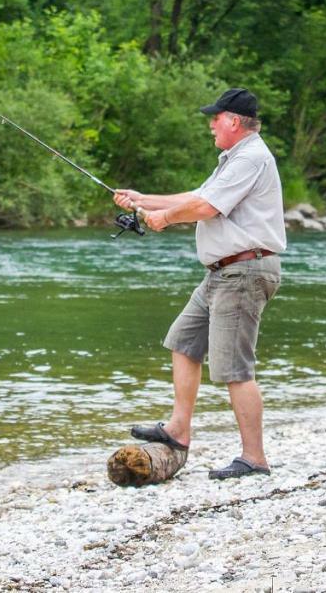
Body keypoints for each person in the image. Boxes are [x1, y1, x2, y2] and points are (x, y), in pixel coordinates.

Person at [114, 87, 286, 480]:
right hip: (222, 273)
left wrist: (167, 218)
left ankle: (254, 459)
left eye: (215, 117)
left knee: (235, 368)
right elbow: (197, 196)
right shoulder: (234, 159)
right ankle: (178, 430)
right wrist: (146, 200)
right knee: (183, 342)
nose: (211, 124)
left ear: (234, 122)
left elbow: (206, 208)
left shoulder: (252, 157)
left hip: (243, 272)